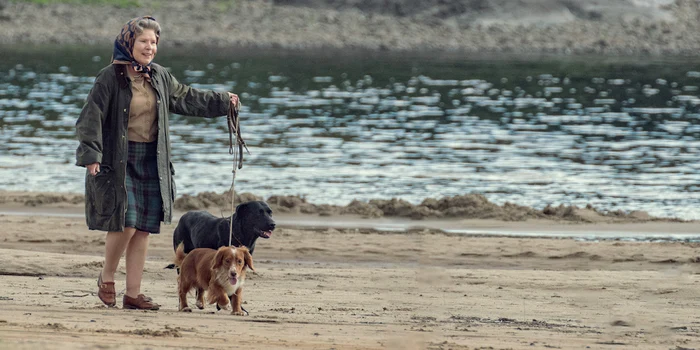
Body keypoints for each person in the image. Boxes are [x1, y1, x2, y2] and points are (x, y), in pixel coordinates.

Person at [75, 16, 238, 310]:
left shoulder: (159, 75)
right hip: (118, 162)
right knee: (126, 222)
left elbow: (187, 97)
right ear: (129, 43)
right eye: (143, 42)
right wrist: (91, 154)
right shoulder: (109, 77)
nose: (149, 47)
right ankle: (107, 277)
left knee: (144, 228)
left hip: (153, 161)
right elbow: (91, 117)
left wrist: (223, 100)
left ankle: (133, 294)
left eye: (153, 42)